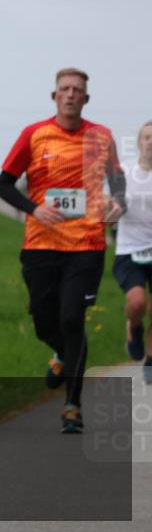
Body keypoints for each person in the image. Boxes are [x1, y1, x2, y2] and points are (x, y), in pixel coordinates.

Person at [0, 68, 126, 433]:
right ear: (54, 97)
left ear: (86, 99)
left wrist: (118, 203)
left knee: (72, 319)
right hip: (40, 244)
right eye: (64, 89)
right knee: (43, 319)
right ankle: (63, 355)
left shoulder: (102, 137)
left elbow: (117, 181)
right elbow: (3, 185)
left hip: (86, 244)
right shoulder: (33, 135)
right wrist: (34, 208)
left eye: (77, 90)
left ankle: (72, 405)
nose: (70, 94)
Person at [114, 121, 152, 382]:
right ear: (139, 143)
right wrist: (114, 208)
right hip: (130, 251)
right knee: (138, 302)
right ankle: (134, 326)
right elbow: (109, 205)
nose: (151, 142)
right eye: (147, 137)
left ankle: (150, 358)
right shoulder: (124, 171)